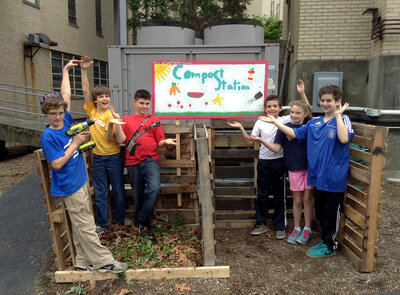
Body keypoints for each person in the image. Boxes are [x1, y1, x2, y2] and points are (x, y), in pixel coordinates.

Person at [40, 59, 128, 273]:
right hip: (69, 184)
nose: (58, 116)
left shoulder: (66, 122)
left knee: (82, 223)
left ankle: (81, 261)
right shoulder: (48, 136)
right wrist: (76, 144)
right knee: (87, 226)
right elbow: (58, 164)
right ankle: (104, 261)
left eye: (61, 112)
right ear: (46, 115)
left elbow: (66, 96)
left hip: (79, 181)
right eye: (53, 114)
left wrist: (66, 71)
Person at [260, 85, 354, 258]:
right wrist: (275, 122)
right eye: (323, 100)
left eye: (329, 101)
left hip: (334, 176)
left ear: (338, 101)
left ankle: (330, 245)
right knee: (322, 210)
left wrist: (339, 115)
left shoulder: (343, 120)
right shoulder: (314, 122)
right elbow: (294, 134)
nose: (325, 104)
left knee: (332, 211)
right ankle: (325, 241)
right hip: (317, 176)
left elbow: (344, 138)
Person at [113, 89, 177, 235]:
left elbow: (160, 141)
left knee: (155, 188)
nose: (144, 106)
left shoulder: (154, 120)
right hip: (132, 161)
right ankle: (144, 225)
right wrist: (116, 123)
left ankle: (141, 218)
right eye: (141, 103)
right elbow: (121, 140)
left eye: (147, 104)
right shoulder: (127, 120)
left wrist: (166, 141)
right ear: (134, 102)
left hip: (150, 160)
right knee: (138, 194)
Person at [227, 95, 291, 239]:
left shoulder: (284, 120)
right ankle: (261, 223)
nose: (272, 108)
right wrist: (241, 128)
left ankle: (280, 226)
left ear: (280, 108)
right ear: (265, 109)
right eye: (269, 106)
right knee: (262, 193)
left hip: (279, 161)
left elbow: (305, 114)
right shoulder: (260, 122)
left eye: (275, 106)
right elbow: (250, 141)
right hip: (263, 162)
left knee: (279, 194)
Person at [252, 100, 314, 245]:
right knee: (297, 200)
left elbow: (307, 111)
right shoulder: (283, 127)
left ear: (304, 114)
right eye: (292, 112)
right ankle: (297, 228)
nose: (293, 115)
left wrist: (303, 94)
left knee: (307, 200)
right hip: (293, 168)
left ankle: (307, 228)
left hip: (309, 169)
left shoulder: (308, 126)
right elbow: (276, 148)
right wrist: (260, 139)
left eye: (297, 112)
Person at [81, 56, 127, 235]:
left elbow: (112, 140)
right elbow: (85, 91)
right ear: (95, 100)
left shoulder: (111, 116)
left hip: (114, 157)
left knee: (118, 190)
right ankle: (102, 224)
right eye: (101, 96)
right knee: (100, 192)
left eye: (107, 96)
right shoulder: (92, 111)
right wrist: (84, 71)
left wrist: (113, 123)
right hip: (98, 158)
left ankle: (120, 220)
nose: (105, 98)